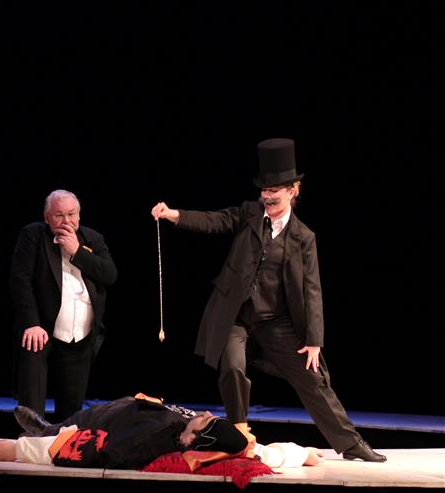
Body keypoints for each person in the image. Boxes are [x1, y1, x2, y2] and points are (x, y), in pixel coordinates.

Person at [151, 138, 385, 462]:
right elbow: (215, 220)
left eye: (274, 189)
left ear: (293, 190)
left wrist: (314, 341)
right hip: (236, 316)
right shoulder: (249, 214)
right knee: (232, 367)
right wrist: (174, 215)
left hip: (275, 321)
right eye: (264, 189)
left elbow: (312, 290)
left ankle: (350, 443)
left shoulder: (303, 238)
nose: (267, 195)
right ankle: (239, 434)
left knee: (311, 375)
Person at [10, 189, 117, 422]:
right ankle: (30, 438)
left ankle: (62, 442)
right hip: (41, 331)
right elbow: (20, 280)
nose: (66, 221)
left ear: (79, 215)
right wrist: (31, 323)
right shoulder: (33, 235)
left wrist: (76, 252)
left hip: (81, 335)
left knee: (71, 410)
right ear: (47, 217)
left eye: (71, 214)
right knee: (32, 403)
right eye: (59, 215)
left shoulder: (92, 238)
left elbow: (110, 275)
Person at [0, 395, 325, 469]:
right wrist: (304, 454)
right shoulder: (223, 443)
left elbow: (93, 449)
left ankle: (45, 430)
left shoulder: (148, 443)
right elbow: (266, 453)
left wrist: (20, 451)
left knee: (70, 426)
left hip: (110, 421)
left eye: (206, 421)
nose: (207, 414)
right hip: (139, 407)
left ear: (194, 440)